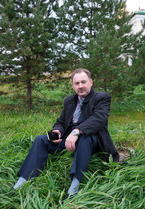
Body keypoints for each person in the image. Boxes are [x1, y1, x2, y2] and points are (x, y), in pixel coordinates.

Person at [13, 68, 119, 198]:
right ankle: (22, 182)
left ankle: (74, 186)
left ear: (91, 82)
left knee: (84, 138)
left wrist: (76, 131)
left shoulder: (101, 98)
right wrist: (57, 131)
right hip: (69, 139)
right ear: (73, 86)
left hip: (93, 140)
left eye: (83, 82)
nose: (80, 86)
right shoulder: (69, 100)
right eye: (77, 83)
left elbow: (98, 119)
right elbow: (62, 121)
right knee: (40, 140)